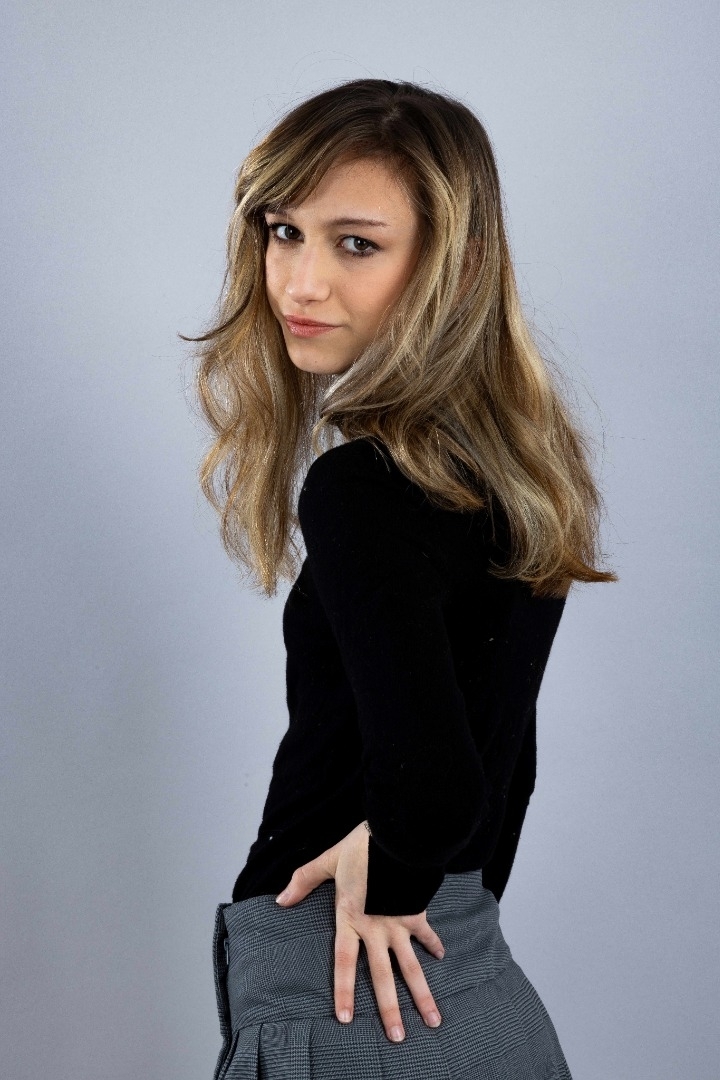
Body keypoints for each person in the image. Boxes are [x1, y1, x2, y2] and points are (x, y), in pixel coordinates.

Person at [185, 78, 617, 1080]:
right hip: (478, 993)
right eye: (284, 233)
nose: (300, 284)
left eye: (356, 244)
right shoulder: (518, 470)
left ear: (450, 267)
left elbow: (439, 792)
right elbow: (503, 765)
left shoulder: (360, 487)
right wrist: (430, 885)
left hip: (349, 998)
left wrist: (389, 879)